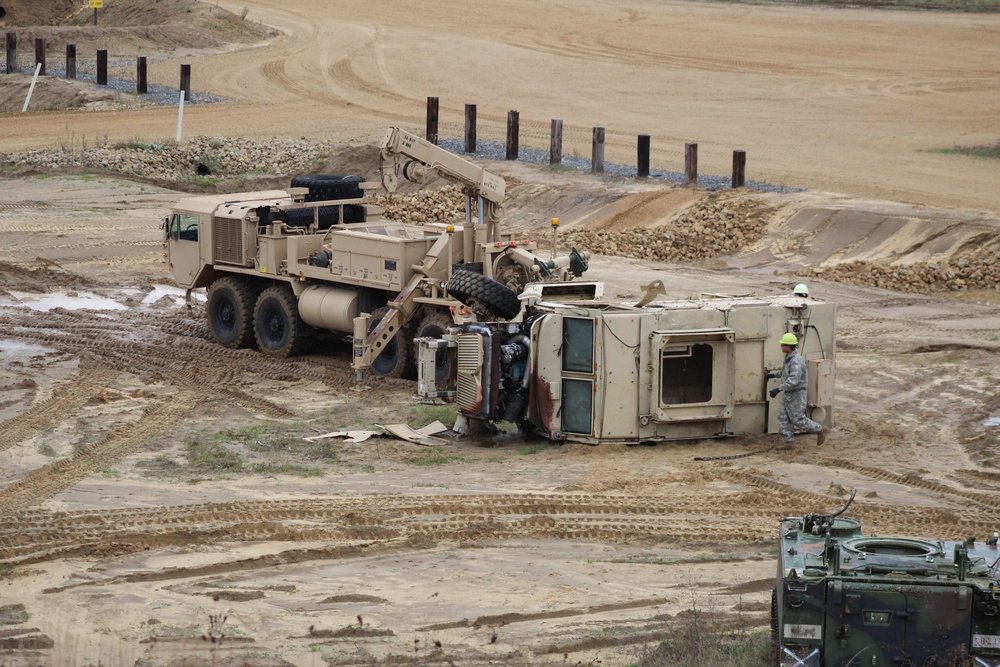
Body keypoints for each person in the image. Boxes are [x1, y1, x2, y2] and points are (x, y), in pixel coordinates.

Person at [768, 332, 827, 446]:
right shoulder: (789, 358)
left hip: (797, 394)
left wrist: (778, 389)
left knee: (798, 419)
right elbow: (786, 372)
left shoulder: (796, 361)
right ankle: (790, 443)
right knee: (783, 418)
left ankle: (819, 429)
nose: (781, 346)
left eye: (783, 345)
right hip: (789, 394)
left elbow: (793, 381)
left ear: (788, 347)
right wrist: (774, 375)